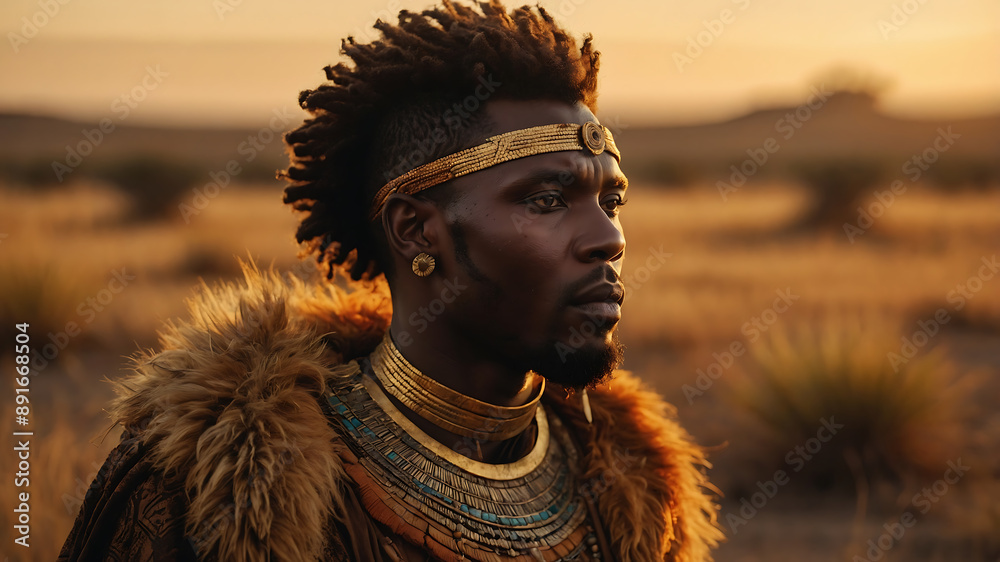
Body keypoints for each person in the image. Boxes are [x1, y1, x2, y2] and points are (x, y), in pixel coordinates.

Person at [59, 1, 722, 560]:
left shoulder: (630, 491)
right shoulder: (208, 487)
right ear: (415, 231)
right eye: (547, 200)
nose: (609, 238)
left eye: (613, 201)